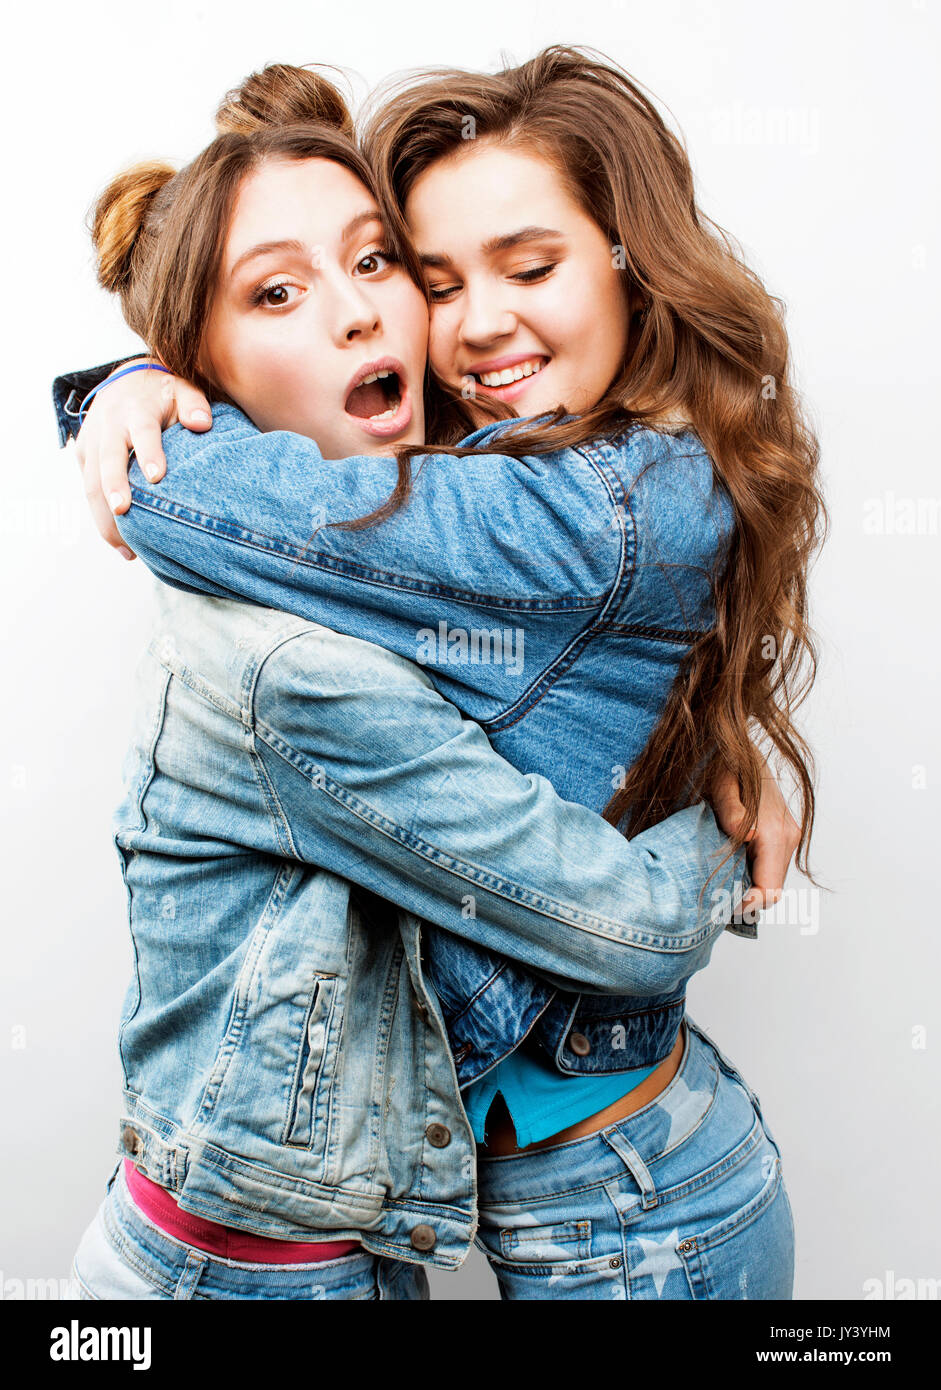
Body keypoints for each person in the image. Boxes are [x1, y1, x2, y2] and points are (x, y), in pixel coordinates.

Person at [56, 50, 821, 1299]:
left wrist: (133, 402)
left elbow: (238, 500)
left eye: (529, 268)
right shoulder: (406, 512)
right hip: (367, 1237)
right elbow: (300, 511)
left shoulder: (597, 500)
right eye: (433, 278)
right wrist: (144, 379)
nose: (466, 323)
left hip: (631, 1197)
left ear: (636, 263)